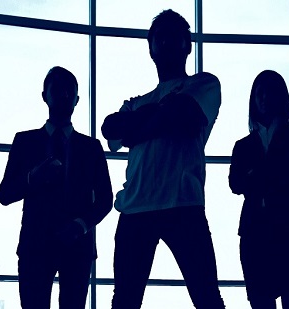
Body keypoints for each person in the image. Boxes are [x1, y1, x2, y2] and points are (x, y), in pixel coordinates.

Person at [99, 9, 225, 309]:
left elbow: (184, 116)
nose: (167, 42)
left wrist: (137, 127)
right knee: (126, 300)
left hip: (182, 203)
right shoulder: (138, 101)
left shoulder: (205, 84)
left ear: (188, 45)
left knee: (206, 297)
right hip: (137, 208)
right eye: (161, 37)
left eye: (174, 36)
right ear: (151, 48)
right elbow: (110, 129)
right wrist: (162, 115)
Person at [0, 66, 114, 309]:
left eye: (68, 92)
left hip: (75, 247)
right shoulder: (24, 141)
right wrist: (32, 178)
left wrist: (80, 226)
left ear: (77, 99)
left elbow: (106, 199)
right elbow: (5, 194)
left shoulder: (92, 147)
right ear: (44, 95)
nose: (63, 96)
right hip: (36, 246)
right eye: (57, 90)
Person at [228, 70, 289, 309]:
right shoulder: (243, 145)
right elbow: (235, 184)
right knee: (261, 301)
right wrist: (273, 170)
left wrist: (254, 174)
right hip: (256, 234)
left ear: (280, 97)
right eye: (259, 93)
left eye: (269, 93)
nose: (263, 98)